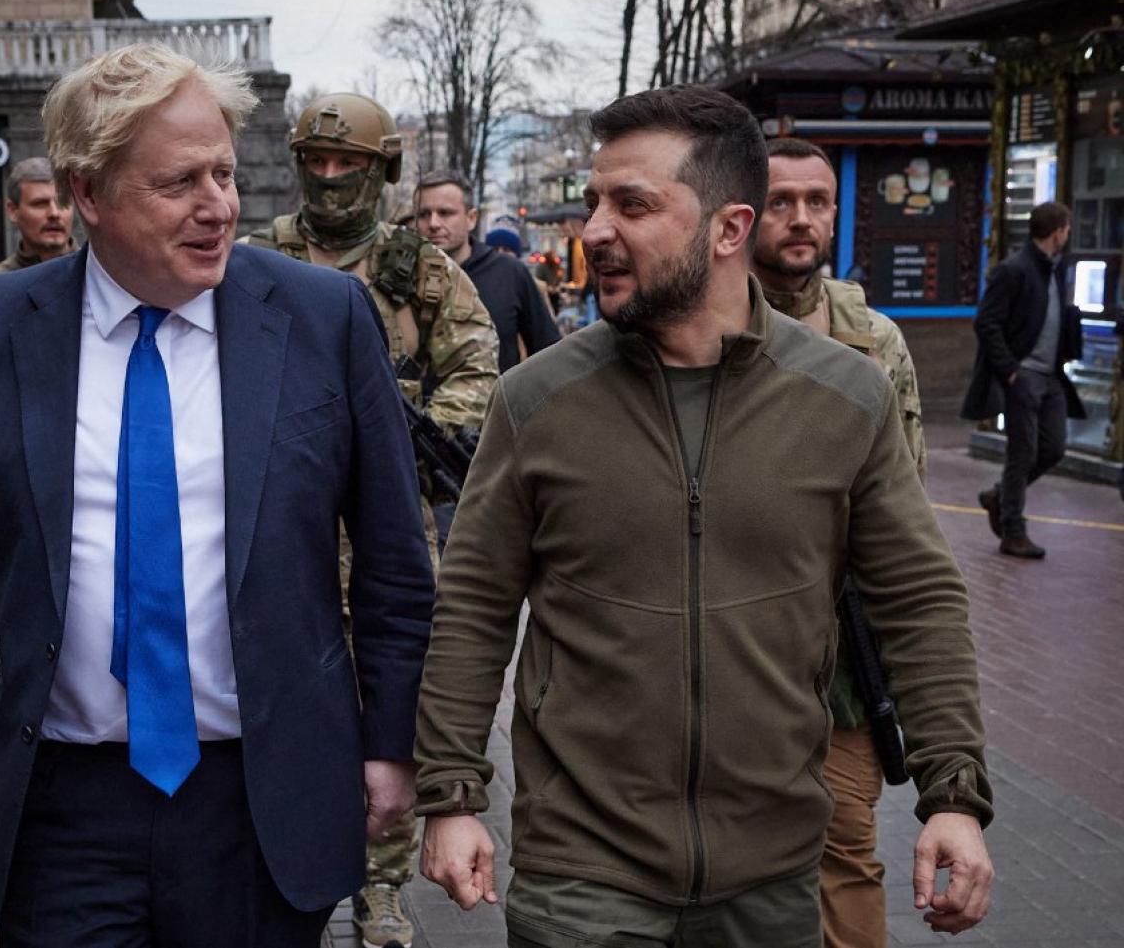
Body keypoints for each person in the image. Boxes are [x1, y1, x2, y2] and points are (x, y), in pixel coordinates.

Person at [0, 44, 435, 948]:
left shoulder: (324, 317)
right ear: (88, 193)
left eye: (225, 173)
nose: (219, 206)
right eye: (179, 183)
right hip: (64, 807)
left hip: (263, 797)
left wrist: (392, 743)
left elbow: (396, 564)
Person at [413, 85, 995, 948]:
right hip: (581, 872)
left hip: (771, 874)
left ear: (728, 229)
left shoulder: (845, 396)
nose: (595, 230)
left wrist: (954, 794)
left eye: (632, 205)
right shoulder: (537, 400)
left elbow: (918, 598)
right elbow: (473, 602)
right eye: (595, 202)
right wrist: (452, 792)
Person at [241, 92, 497, 948]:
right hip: (284, 518)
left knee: (390, 696)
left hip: (388, 525)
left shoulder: (420, 270)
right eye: (315, 162)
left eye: (347, 163)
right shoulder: (256, 259)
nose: (329, 177)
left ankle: (380, 885)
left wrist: (400, 438)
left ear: (381, 170)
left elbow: (479, 371)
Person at [752, 137, 927, 948]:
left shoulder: (875, 341)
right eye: (781, 201)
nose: (801, 218)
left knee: (845, 853)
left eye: (816, 201)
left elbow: (904, 519)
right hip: (728, 651)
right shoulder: (698, 324)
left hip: (839, 672)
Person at [962, 201, 1084, 558]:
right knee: (1023, 452)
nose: (1068, 235)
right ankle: (1013, 530)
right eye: (1067, 229)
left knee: (1053, 447)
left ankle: (999, 496)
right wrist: (1011, 370)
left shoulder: (1055, 269)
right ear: (1057, 232)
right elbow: (986, 322)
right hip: (1024, 375)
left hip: (1051, 375)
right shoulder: (1013, 269)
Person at [415, 169, 560, 373]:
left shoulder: (510, 273)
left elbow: (549, 355)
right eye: (423, 215)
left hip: (496, 392)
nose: (433, 224)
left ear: (471, 218)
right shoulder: (400, 277)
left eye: (445, 213)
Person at [0, 157, 76, 280]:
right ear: (13, 211)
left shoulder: (94, 274)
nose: (54, 213)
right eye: (40, 204)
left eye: (62, 203)